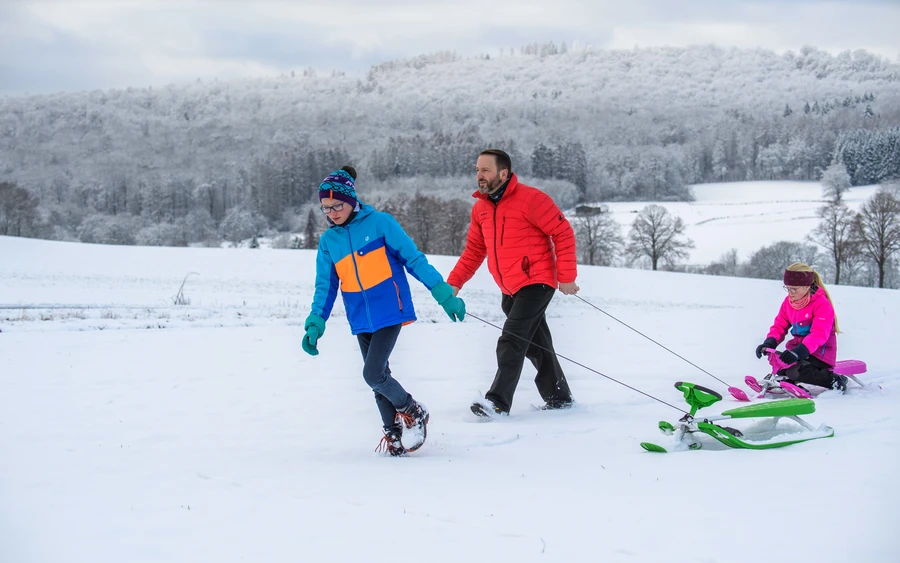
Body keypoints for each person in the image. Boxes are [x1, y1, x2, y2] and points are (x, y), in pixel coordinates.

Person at [302, 166, 466, 455]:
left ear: (351, 200)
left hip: (390, 308)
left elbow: (413, 260)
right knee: (378, 378)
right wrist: (316, 321)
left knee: (373, 373)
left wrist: (442, 293)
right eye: (325, 208)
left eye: (337, 205)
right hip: (359, 316)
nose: (331, 212)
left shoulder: (380, 224)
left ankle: (413, 410)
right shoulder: (329, 242)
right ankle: (393, 431)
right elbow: (325, 287)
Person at [447, 149, 579, 417]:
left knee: (511, 340)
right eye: (477, 170)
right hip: (509, 287)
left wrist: (566, 277)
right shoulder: (481, 208)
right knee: (536, 344)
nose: (479, 176)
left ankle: (497, 402)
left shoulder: (532, 200)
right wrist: (455, 283)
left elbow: (562, 232)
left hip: (537, 281)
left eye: (485, 170)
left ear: (503, 173)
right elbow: (474, 250)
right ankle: (559, 397)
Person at [755, 262, 847, 393]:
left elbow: (819, 334)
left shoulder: (821, 304)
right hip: (799, 352)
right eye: (787, 288)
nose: (790, 293)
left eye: (794, 289)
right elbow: (779, 325)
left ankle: (835, 380)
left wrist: (798, 351)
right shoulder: (788, 303)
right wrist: (769, 342)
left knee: (795, 371)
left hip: (819, 355)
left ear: (807, 286)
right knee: (781, 366)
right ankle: (789, 382)